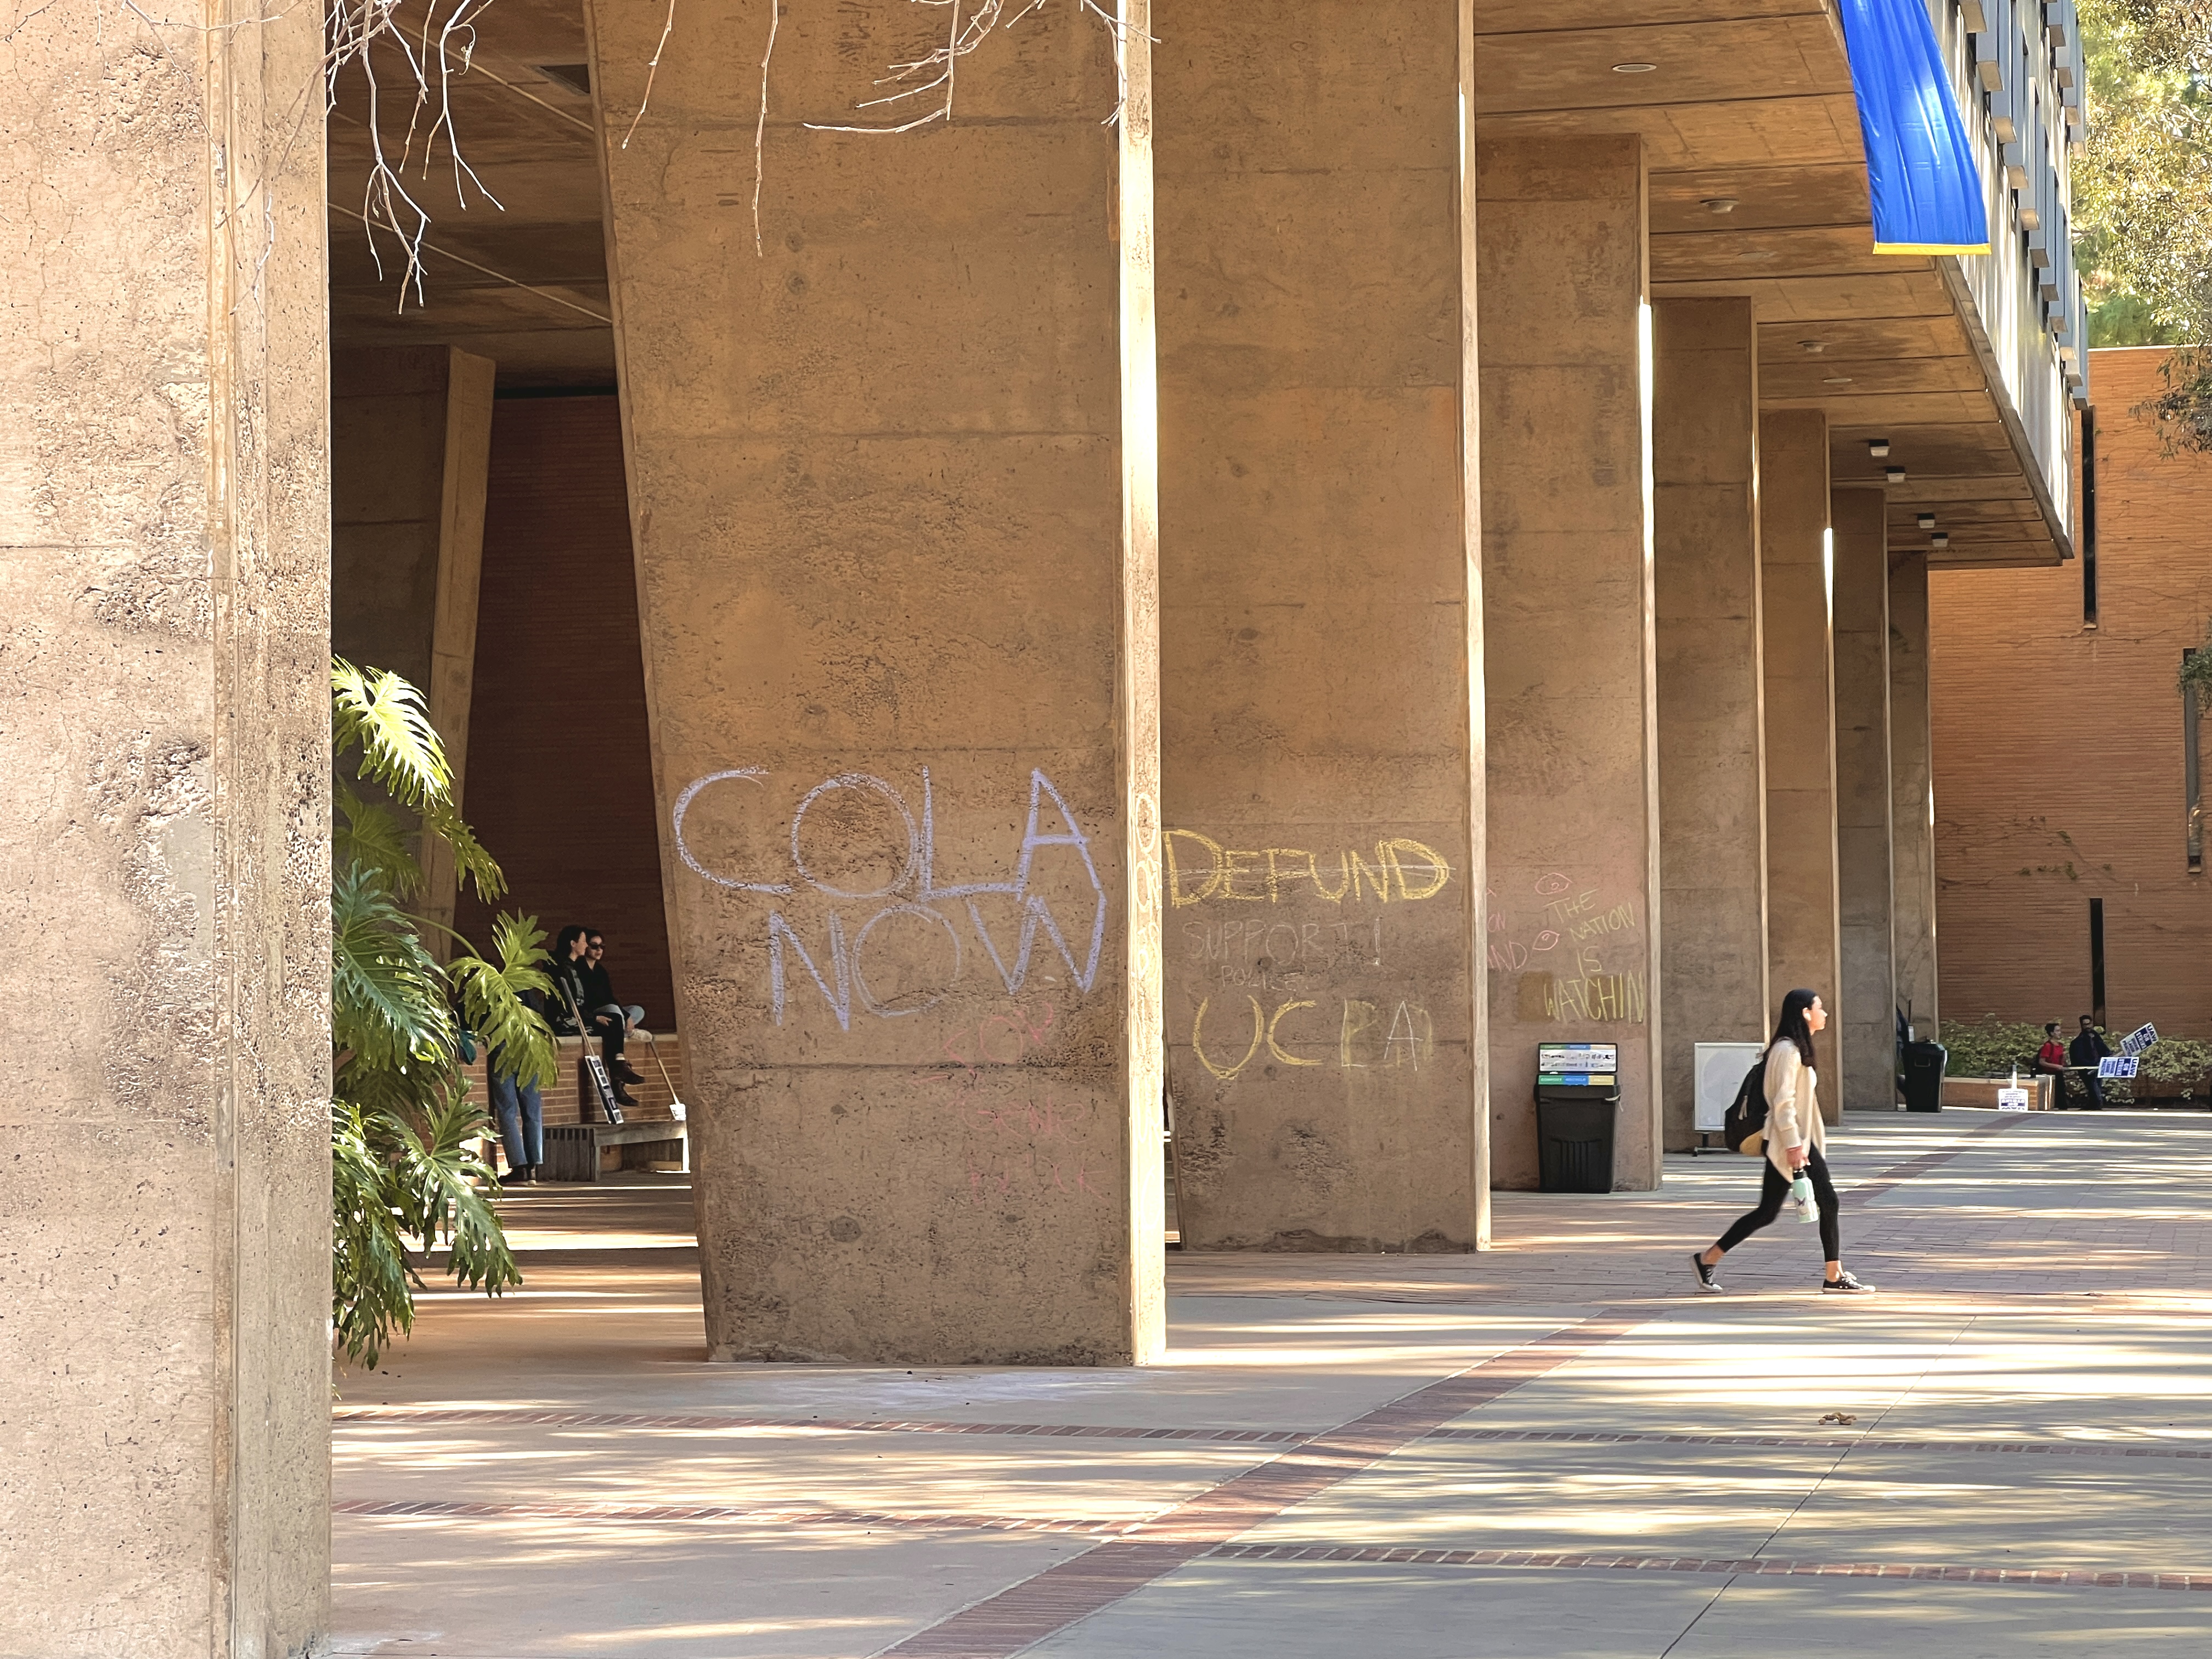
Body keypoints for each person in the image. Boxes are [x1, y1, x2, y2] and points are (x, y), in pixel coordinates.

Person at [1691, 989, 1873, 1295]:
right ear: (1805, 1012)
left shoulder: (1792, 1048)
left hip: (1794, 1139)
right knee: (1829, 1200)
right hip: (1791, 1140)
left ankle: (1707, 1259)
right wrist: (1793, 1144)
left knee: (1768, 1211)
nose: (1825, 1013)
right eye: (1820, 1008)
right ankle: (1834, 1275)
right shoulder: (1787, 1051)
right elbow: (1783, 1102)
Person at [549, 923, 637, 1107]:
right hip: (568, 1020)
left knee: (615, 1020)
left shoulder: (573, 966)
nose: (586, 946)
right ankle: (619, 1076)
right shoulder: (563, 968)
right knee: (612, 1023)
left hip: (583, 1015)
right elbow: (568, 1004)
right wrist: (594, 1018)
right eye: (584, 942)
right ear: (573, 944)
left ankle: (619, 1073)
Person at [489, 978, 550, 1183]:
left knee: (507, 1110)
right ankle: (534, 1165)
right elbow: (538, 1016)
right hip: (529, 1047)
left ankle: (519, 1165)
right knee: (533, 1110)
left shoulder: (488, 989)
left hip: (503, 1047)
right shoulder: (524, 986)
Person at [579, 929, 648, 1092]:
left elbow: (610, 996)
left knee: (637, 1011)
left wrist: (627, 1016)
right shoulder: (579, 969)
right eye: (594, 946)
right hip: (595, 1012)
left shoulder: (601, 971)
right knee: (614, 1010)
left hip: (611, 1011)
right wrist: (622, 1015)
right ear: (586, 947)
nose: (599, 950)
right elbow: (593, 1000)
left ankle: (623, 1031)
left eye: (602, 946)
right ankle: (620, 1055)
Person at [2068, 1014, 2111, 1110]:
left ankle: (2091, 1105)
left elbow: (2105, 1050)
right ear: (2082, 1026)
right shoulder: (2078, 1042)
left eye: (2089, 1024)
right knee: (2095, 1091)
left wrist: (2106, 1058)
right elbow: (2079, 1058)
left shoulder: (2097, 1038)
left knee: (2096, 1090)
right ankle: (2096, 1106)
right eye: (2085, 1025)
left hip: (2098, 1069)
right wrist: (2092, 1064)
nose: (2088, 1026)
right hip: (2087, 1070)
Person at [2035, 1022, 2070, 1109]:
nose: (2060, 1033)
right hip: (2049, 1074)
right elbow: (2042, 1062)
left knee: (2062, 1092)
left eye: (2060, 1031)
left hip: (2059, 1073)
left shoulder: (2060, 1046)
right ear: (2052, 1033)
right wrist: (2056, 1066)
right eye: (2057, 1031)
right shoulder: (2048, 1046)